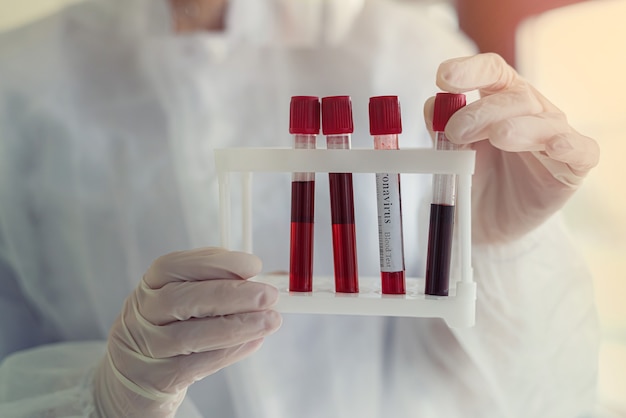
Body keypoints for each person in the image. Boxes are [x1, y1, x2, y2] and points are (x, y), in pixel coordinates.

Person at [0, 0, 601, 417]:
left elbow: (528, 398)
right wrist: (103, 403)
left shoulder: (410, 51)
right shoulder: (22, 82)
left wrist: (499, 251)